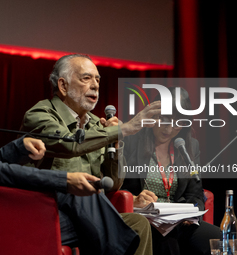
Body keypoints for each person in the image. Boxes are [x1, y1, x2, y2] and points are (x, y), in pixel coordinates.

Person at [0, 55, 150, 255]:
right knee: (88, 208)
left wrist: (19, 147)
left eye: (98, 80)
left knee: (119, 225)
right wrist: (65, 181)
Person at [20, 54, 161, 255]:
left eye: (97, 80)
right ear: (63, 85)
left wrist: (116, 144)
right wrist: (123, 129)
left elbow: (114, 182)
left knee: (137, 223)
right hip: (48, 213)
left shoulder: (98, 124)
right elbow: (69, 145)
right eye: (86, 78)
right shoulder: (40, 115)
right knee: (82, 189)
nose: (95, 85)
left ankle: (114, 240)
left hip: (90, 215)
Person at [121, 87, 221, 255]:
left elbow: (195, 194)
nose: (169, 129)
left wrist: (192, 214)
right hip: (146, 219)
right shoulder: (131, 141)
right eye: (165, 120)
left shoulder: (189, 146)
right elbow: (116, 188)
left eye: (178, 123)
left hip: (178, 221)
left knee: (216, 237)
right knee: (168, 242)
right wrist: (134, 199)